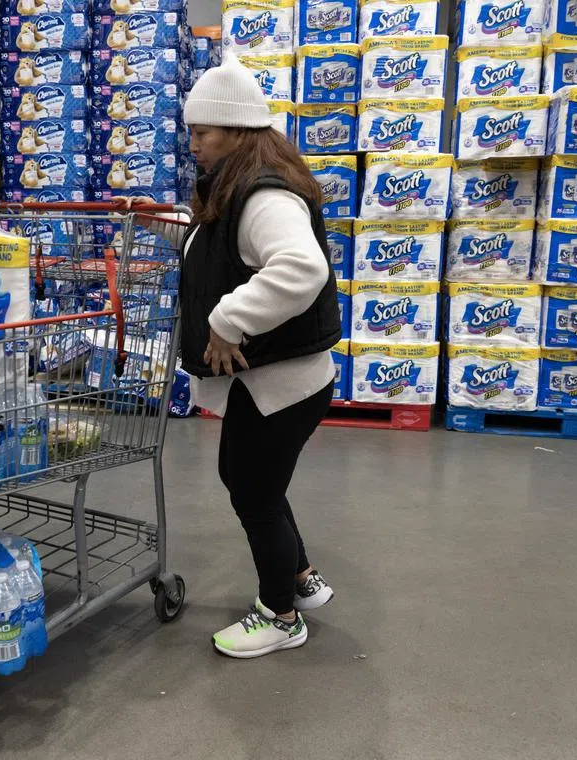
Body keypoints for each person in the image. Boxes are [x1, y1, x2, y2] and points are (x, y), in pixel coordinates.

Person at [144, 54, 342, 658]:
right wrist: (167, 225)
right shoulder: (240, 185)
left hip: (281, 385)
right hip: (274, 382)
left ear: (235, 131)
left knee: (253, 492)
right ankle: (301, 578)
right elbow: (222, 245)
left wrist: (228, 321)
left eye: (201, 133)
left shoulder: (263, 196)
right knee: (254, 481)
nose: (193, 145)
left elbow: (300, 267)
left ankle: (280, 616)